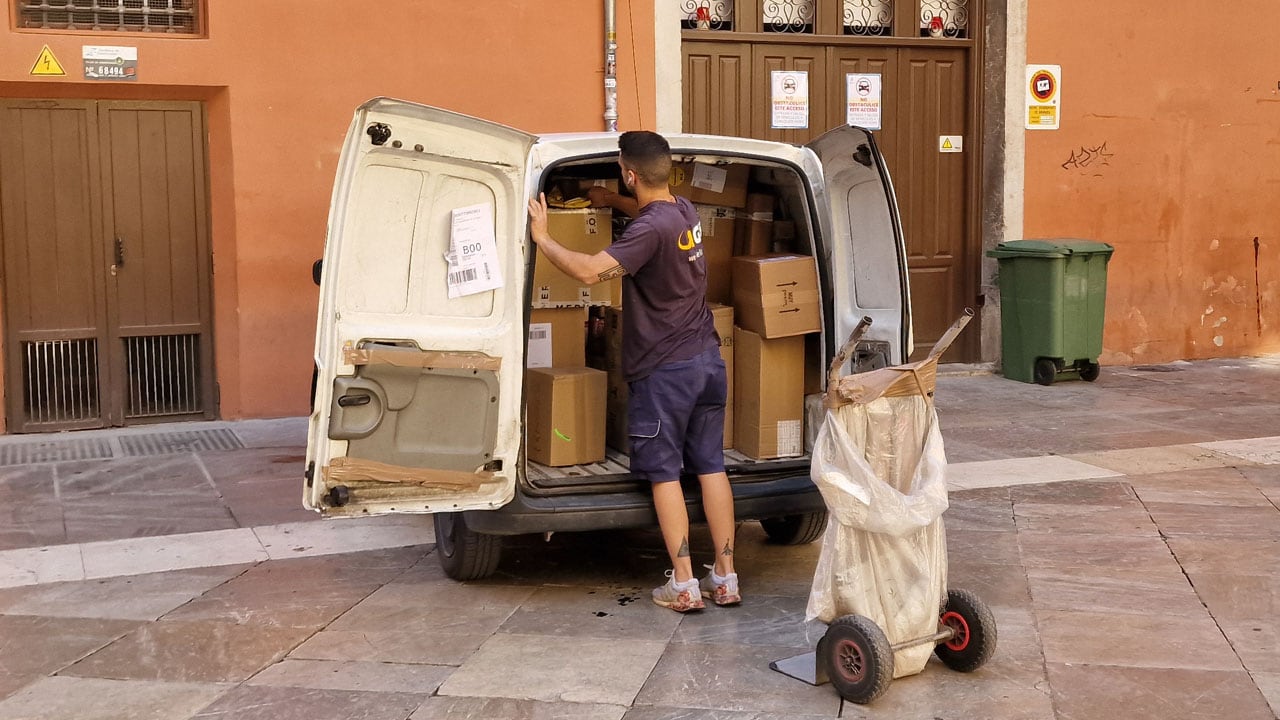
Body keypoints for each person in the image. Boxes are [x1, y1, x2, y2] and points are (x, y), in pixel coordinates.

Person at [527, 131, 739, 612]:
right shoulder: (684, 210)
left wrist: (543, 237)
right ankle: (725, 577)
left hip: (666, 372)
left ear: (629, 171)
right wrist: (610, 200)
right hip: (707, 361)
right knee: (711, 467)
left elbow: (586, 272)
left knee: (664, 474)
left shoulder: (649, 230)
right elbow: (650, 218)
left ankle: (682, 583)